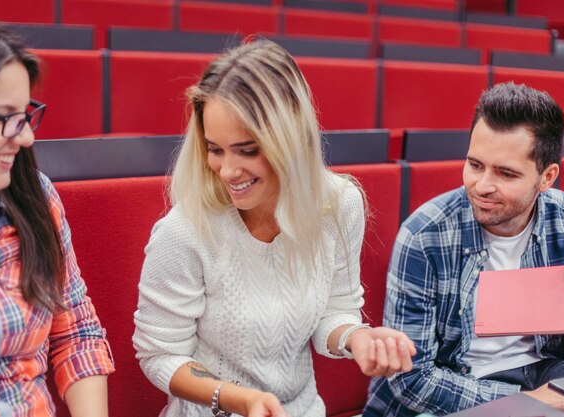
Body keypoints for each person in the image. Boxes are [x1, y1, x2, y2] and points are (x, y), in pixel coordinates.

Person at [133, 39, 416, 417]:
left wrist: (357, 338)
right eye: (215, 149)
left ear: (292, 140)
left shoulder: (338, 204)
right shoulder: (183, 232)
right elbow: (161, 354)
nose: (228, 171)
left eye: (248, 150)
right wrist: (236, 398)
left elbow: (334, 313)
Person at [364, 82, 564, 416]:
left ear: (547, 178)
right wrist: (528, 404)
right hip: (453, 387)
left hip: (545, 373)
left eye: (506, 174)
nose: (483, 186)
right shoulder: (425, 235)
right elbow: (411, 380)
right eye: (475, 165)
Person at [0, 6, 114, 417]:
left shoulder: (33, 197)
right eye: (6, 118)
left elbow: (76, 333)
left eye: (26, 116)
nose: (24, 137)